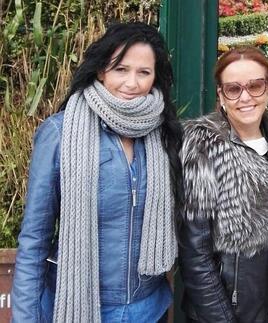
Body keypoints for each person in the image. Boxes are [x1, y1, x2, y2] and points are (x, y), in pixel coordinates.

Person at [11, 22, 183, 322]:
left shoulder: (163, 134)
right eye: (120, 69)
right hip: (80, 309)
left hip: (149, 308)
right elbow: (34, 240)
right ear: (101, 70)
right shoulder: (60, 132)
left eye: (144, 72)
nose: (132, 83)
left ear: (155, 78)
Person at [178, 46, 268, 323]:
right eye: (233, 89)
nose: (245, 97)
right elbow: (195, 256)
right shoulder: (203, 148)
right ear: (221, 95)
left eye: (255, 86)